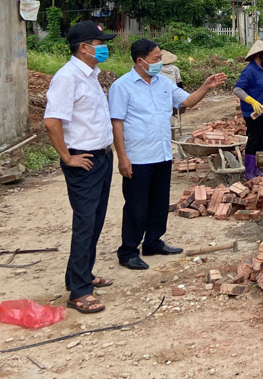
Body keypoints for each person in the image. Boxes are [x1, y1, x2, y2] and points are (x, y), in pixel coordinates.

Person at [109, 39, 227, 271]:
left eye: (160, 57)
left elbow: (187, 101)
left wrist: (205, 86)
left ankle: (153, 242)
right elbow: (117, 123)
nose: (160, 62)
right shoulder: (122, 87)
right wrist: (122, 157)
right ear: (140, 61)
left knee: (159, 203)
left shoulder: (163, 83)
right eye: (156, 58)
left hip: (162, 154)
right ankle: (128, 250)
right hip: (138, 157)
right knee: (136, 205)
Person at [43, 21, 117, 314]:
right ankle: (79, 291)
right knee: (85, 223)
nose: (104, 48)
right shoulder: (67, 78)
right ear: (84, 48)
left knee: (96, 220)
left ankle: (83, 274)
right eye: (100, 44)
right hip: (82, 160)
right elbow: (51, 121)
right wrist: (67, 157)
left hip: (101, 157)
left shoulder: (91, 76)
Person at [232, 40, 263, 180]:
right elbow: (237, 89)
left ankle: (257, 167)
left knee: (261, 140)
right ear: (259, 54)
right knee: (253, 140)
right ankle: (249, 171)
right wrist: (251, 101)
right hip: (252, 113)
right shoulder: (250, 70)